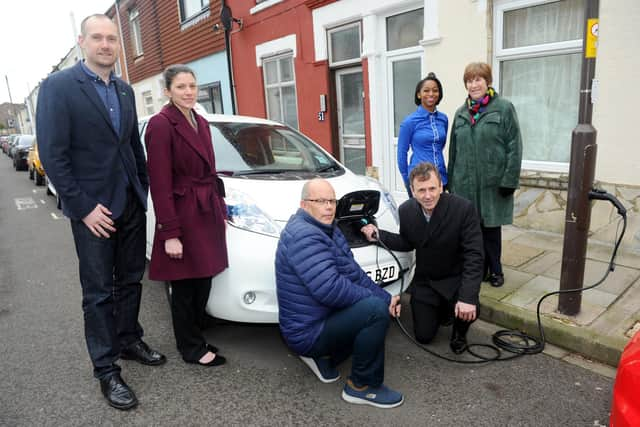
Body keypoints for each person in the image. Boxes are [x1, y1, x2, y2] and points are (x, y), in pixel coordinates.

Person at [36, 14, 165, 410]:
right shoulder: (59, 88)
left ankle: (128, 340)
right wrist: (83, 208)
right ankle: (106, 369)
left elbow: (130, 147)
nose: (106, 44)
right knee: (97, 294)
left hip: (129, 204)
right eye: (98, 38)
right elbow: (54, 157)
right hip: (93, 210)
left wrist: (141, 190)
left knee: (130, 281)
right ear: (83, 42)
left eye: (112, 38)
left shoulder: (125, 91)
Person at [275, 179, 404, 409]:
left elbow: (353, 273)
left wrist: (386, 298)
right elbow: (330, 289)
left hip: (321, 318)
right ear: (304, 205)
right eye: (321, 201)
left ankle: (322, 357)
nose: (329, 207)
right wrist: (377, 304)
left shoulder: (328, 228)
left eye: (332, 201)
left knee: (375, 306)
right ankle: (361, 387)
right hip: (307, 332)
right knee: (373, 312)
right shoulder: (304, 236)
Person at [145, 65, 228, 368]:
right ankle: (190, 347)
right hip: (181, 213)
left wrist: (220, 205)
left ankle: (196, 332)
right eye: (180, 87)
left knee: (204, 278)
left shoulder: (202, 122)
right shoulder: (161, 124)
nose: (189, 92)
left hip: (205, 210)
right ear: (167, 91)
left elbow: (209, 171)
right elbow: (160, 182)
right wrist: (170, 233)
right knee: (184, 284)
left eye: (192, 86)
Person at [361, 162, 484, 354]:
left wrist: (468, 296)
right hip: (426, 281)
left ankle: (459, 332)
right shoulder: (406, 211)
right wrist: (379, 235)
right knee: (424, 336)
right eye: (421, 190)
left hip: (454, 279)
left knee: (469, 307)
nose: (428, 196)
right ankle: (444, 312)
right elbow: (407, 242)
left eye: (432, 189)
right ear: (412, 190)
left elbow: (474, 256)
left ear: (441, 186)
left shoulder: (463, 209)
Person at [448, 62, 523, 288]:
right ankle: (478, 269)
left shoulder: (504, 108)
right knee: (472, 231)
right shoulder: (460, 113)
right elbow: (453, 151)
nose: (474, 84)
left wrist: (509, 179)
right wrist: (451, 183)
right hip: (465, 184)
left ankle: (496, 270)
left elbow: (514, 145)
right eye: (470, 81)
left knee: (491, 229)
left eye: (478, 79)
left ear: (487, 81)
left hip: (492, 184)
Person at [397, 72, 449, 197]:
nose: (431, 94)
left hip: (441, 178)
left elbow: (439, 146)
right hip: (420, 180)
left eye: (435, 90)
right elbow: (401, 154)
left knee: (443, 215)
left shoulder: (443, 119)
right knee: (421, 216)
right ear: (419, 94)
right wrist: (408, 181)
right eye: (426, 90)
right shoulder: (409, 122)